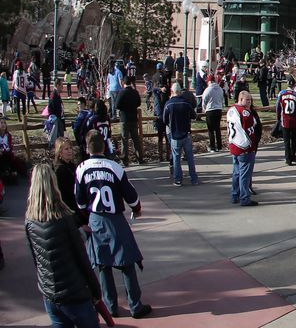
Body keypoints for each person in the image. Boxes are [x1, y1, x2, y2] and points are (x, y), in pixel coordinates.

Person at [75, 131, 152, 319]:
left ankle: (111, 306)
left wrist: (87, 217)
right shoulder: (114, 167)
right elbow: (131, 196)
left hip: (95, 219)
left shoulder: (81, 168)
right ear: (104, 146)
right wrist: (137, 208)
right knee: (126, 262)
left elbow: (79, 201)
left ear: (87, 148)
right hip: (115, 219)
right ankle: (135, 305)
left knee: (103, 264)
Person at [25, 163, 104, 328]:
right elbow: (82, 258)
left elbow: (36, 260)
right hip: (75, 293)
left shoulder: (29, 221)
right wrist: (95, 290)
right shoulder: (64, 219)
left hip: (50, 294)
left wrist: (44, 285)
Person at [162, 83, 200, 186]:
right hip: (186, 133)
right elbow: (194, 115)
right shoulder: (186, 103)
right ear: (180, 91)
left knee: (176, 158)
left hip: (175, 134)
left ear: (172, 91)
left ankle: (178, 179)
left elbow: (164, 119)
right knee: (190, 157)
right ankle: (194, 178)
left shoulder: (168, 104)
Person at [227, 90, 258, 206]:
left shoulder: (231, 110)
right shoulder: (245, 113)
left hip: (234, 145)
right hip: (244, 147)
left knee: (236, 172)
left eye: (250, 100)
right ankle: (244, 198)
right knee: (244, 174)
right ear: (240, 99)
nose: (249, 102)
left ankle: (235, 194)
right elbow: (250, 130)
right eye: (247, 100)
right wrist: (252, 147)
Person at [277, 82, 296, 165]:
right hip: (294, 121)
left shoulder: (282, 94)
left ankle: (288, 159)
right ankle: (293, 156)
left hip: (285, 121)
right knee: (294, 140)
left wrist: (278, 118)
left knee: (286, 141)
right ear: (293, 86)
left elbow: (278, 107)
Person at [201, 75, 226, 153]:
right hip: (218, 109)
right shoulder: (220, 89)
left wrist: (204, 108)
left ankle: (212, 147)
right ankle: (219, 146)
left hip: (210, 110)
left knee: (211, 130)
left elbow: (204, 100)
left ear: (209, 81)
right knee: (217, 129)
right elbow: (222, 99)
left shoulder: (208, 90)